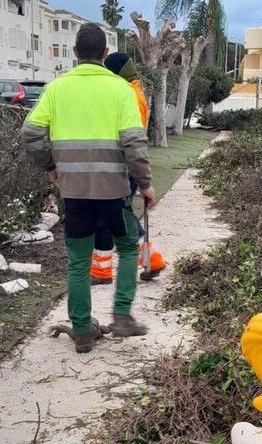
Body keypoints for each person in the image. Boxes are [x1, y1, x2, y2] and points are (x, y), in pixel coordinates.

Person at [21, 23, 156, 354]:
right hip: (113, 192)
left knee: (79, 262)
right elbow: (134, 143)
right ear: (105, 53)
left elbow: (31, 133)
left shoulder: (57, 88)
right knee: (128, 247)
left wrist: (51, 166)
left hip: (74, 192)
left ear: (75, 52)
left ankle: (82, 331)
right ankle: (122, 316)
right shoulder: (121, 89)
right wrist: (146, 184)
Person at [90, 52, 166, 285]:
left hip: (121, 166)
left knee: (112, 216)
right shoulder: (134, 90)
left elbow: (130, 136)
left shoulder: (128, 95)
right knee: (114, 216)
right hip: (125, 165)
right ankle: (144, 261)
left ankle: (144, 261)